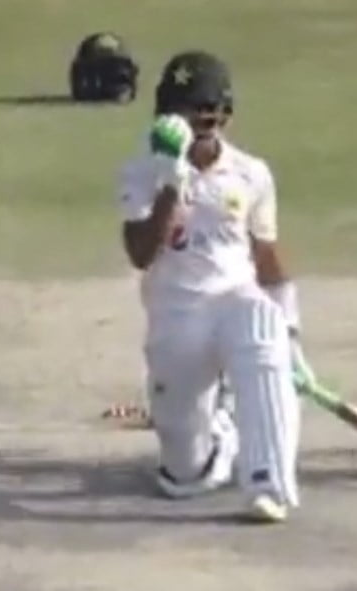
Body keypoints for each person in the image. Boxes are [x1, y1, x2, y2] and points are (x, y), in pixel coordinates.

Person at [116, 49, 317, 523]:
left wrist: (291, 332)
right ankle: (222, 433)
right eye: (190, 109)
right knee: (184, 476)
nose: (203, 119)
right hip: (177, 317)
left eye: (212, 109)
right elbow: (141, 254)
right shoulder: (140, 171)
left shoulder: (251, 173)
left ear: (226, 114)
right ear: (167, 114)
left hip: (234, 298)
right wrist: (171, 185)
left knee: (261, 323)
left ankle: (268, 483)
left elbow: (266, 256)